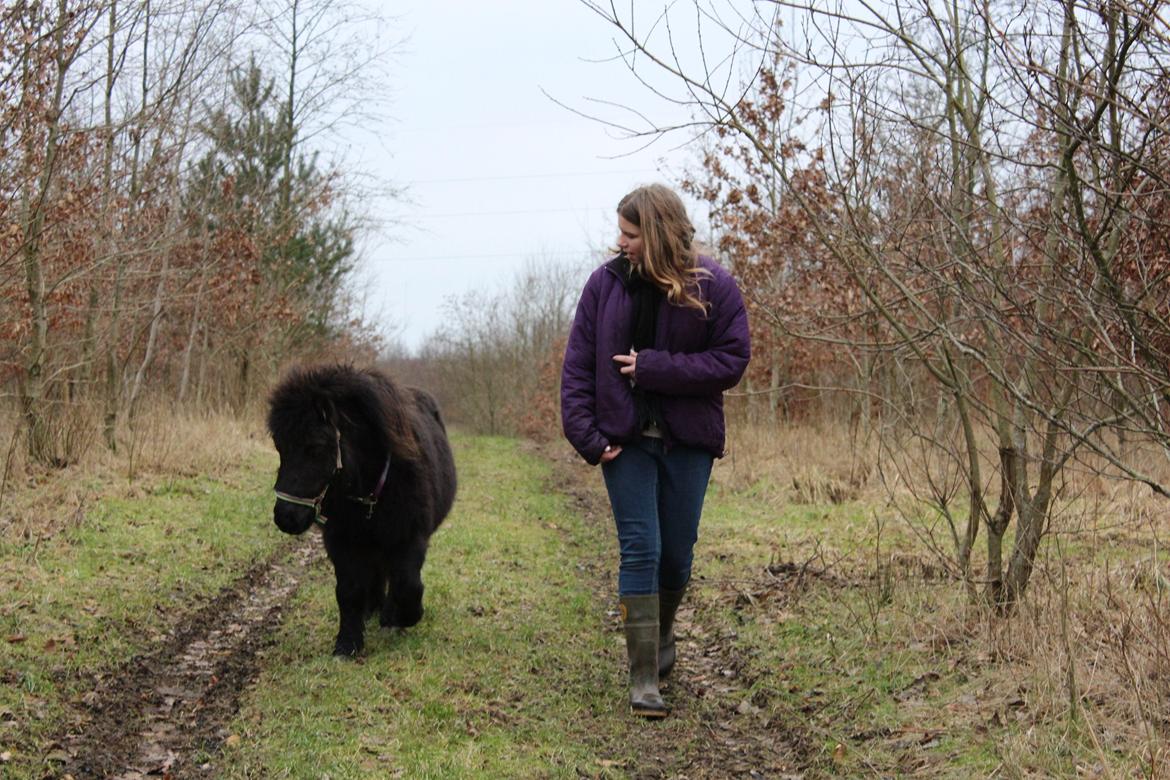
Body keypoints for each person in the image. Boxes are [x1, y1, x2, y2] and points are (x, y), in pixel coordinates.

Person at [560, 183, 751, 718]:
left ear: (659, 234)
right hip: (624, 443)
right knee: (641, 549)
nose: (620, 243)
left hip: (688, 441)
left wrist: (654, 367)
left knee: (677, 555)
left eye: (630, 234)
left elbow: (731, 361)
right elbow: (577, 368)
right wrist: (588, 438)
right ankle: (643, 676)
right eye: (620, 233)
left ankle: (662, 635)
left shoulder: (713, 285)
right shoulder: (604, 285)